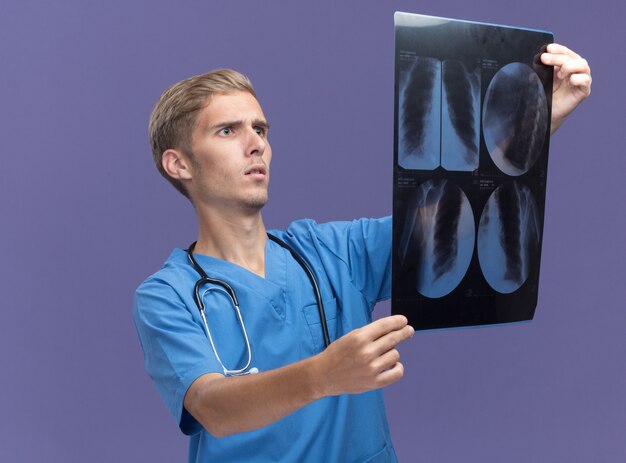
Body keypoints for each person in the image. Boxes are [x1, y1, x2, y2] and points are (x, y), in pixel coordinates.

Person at [133, 43, 591, 462]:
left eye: (261, 128)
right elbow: (211, 406)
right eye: (228, 131)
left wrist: (539, 115)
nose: (257, 144)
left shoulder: (331, 252)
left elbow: (452, 208)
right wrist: (322, 376)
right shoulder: (168, 296)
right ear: (179, 164)